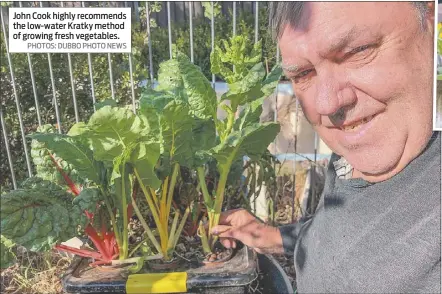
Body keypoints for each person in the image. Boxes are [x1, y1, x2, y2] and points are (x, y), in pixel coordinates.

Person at [211, 2, 441, 293]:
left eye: (358, 50)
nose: (327, 104)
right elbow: (341, 227)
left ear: (433, 23)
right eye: (303, 74)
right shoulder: (364, 137)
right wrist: (271, 236)